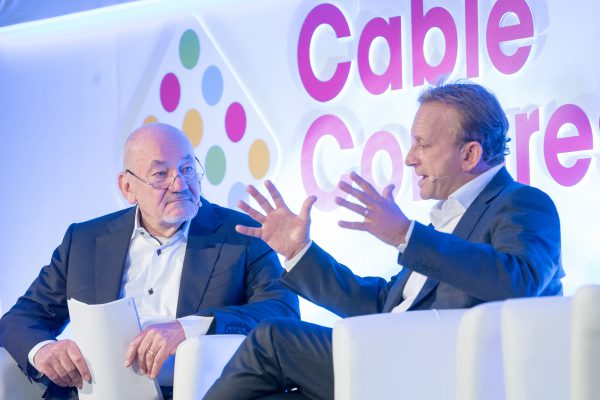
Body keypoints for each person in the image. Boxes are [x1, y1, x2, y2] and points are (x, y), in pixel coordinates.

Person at [203, 82, 564, 400]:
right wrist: (300, 253)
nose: (409, 158)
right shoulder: (447, 219)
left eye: (422, 145)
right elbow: (383, 306)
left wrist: (407, 236)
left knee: (274, 339)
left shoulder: (522, 203)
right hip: (391, 362)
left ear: (469, 154)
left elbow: (520, 283)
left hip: (436, 377)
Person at [0, 123, 299, 399]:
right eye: (160, 175)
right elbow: (21, 318)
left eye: (187, 169)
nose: (180, 184)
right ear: (128, 188)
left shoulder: (240, 235)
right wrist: (44, 350)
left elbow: (281, 312)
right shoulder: (86, 240)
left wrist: (188, 329)